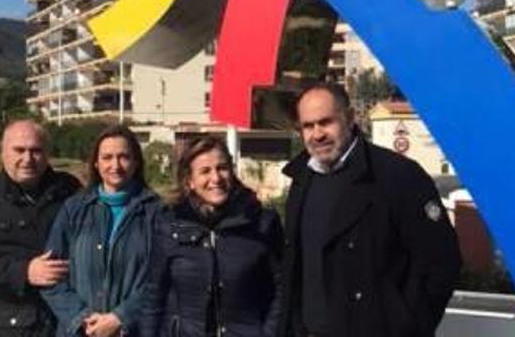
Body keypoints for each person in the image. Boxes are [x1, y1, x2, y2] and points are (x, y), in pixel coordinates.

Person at [277, 83, 461, 337]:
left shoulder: (397, 176)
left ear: (350, 118)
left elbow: (441, 263)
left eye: (326, 122)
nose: (317, 134)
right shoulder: (301, 180)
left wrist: (406, 327)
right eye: (308, 126)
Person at [140, 137, 284, 337]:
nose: (216, 178)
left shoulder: (261, 223)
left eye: (222, 168)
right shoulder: (169, 224)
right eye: (205, 171)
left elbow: (280, 291)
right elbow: (154, 295)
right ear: (190, 181)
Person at [0, 119, 82, 336]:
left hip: (68, 320)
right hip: (12, 325)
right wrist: (25, 271)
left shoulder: (69, 190)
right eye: (19, 150)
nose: (27, 159)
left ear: (47, 153)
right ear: (3, 153)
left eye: (36, 151)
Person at [42, 125, 161, 337]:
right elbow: (51, 276)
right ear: (96, 163)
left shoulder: (157, 212)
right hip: (80, 332)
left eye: (123, 157)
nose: (115, 165)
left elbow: (162, 277)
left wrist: (121, 318)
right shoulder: (74, 209)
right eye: (107, 157)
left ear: (136, 162)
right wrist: (83, 319)